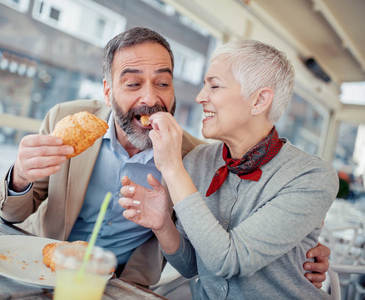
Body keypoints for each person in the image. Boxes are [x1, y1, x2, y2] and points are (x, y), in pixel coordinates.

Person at [0, 27, 330, 288]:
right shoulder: (64, 121)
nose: (150, 97)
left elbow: (223, 247)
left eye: (163, 82)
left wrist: (302, 251)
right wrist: (20, 176)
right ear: (108, 90)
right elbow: (13, 213)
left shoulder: (191, 157)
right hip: (38, 267)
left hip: (122, 286)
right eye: (132, 84)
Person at [119, 39, 338, 298]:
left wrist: (172, 168)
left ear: (259, 100)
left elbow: (227, 261)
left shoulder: (312, 177)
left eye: (214, 85)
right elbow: (192, 266)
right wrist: (163, 225)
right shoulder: (197, 161)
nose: (201, 97)